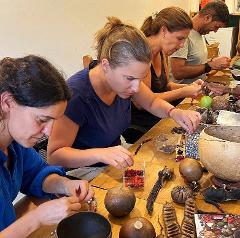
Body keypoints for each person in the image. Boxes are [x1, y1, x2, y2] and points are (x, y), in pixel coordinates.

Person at [47, 17, 201, 171]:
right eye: (130, 78)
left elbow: (152, 102)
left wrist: (174, 112)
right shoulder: (76, 95)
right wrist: (100, 154)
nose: (135, 88)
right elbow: (54, 156)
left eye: (140, 79)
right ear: (106, 65)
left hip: (114, 162)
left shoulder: (124, 81)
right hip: (82, 172)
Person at [0, 55, 94, 237]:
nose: (49, 132)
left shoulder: (16, 143)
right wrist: (37, 218)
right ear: (7, 102)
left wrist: (66, 185)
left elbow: (35, 174)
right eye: (42, 120)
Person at [125, 7, 204, 140]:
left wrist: (189, 86)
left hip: (156, 112)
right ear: (164, 30)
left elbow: (166, 85)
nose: (182, 45)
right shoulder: (141, 54)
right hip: (138, 123)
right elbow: (142, 103)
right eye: (180, 38)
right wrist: (184, 92)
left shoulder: (162, 52)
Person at [170, 0, 231, 84]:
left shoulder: (200, 33)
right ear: (207, 18)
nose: (215, 31)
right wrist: (210, 65)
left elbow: (195, 61)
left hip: (196, 91)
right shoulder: (184, 34)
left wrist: (214, 62)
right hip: (183, 95)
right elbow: (178, 72)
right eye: (216, 26)